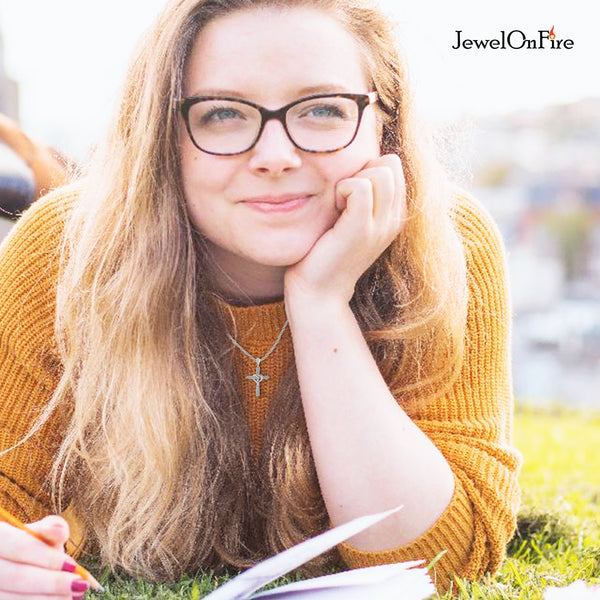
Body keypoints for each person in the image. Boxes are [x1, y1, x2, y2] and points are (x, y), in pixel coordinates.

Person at [0, 0, 522, 596]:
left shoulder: (447, 244)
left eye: (323, 109)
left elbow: (448, 561)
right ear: (161, 135)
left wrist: (321, 302)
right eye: (222, 114)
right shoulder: (65, 248)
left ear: (386, 123)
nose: (276, 157)